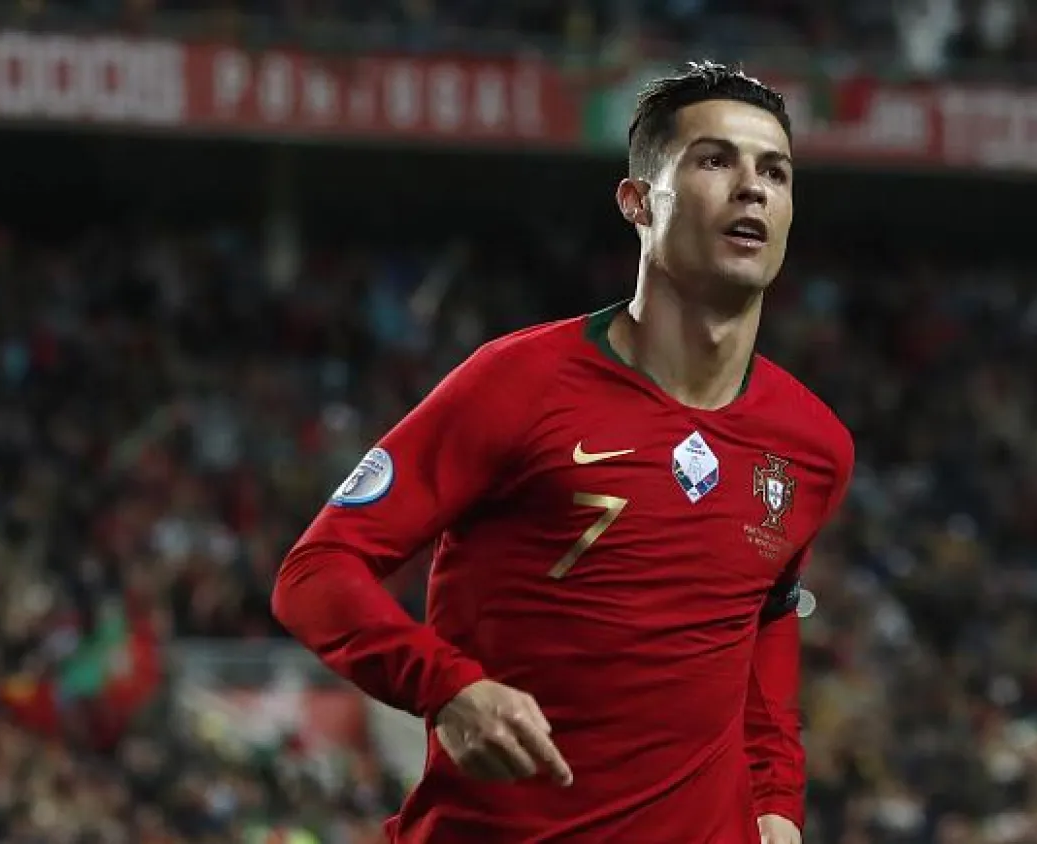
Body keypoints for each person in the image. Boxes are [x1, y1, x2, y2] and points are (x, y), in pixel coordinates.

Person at [271, 61, 854, 844]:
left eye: (775, 172)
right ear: (638, 202)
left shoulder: (811, 444)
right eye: (715, 160)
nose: (752, 186)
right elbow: (315, 574)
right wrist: (448, 690)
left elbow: (768, 613)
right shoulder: (517, 385)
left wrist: (777, 797)